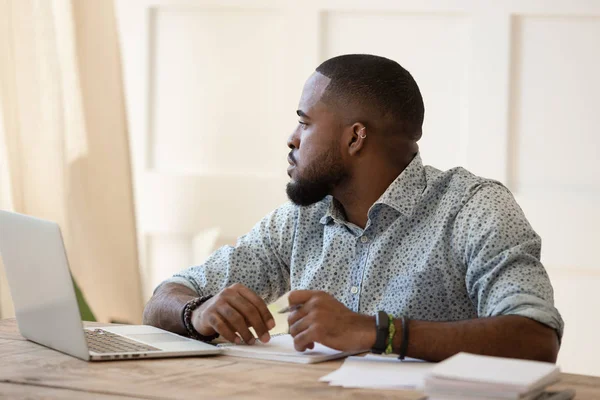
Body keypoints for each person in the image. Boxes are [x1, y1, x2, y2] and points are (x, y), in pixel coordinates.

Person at [143, 54, 563, 362]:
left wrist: (377, 332)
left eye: (305, 123)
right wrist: (196, 311)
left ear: (355, 138)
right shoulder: (301, 218)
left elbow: (536, 338)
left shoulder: (474, 208)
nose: (292, 139)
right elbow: (164, 297)